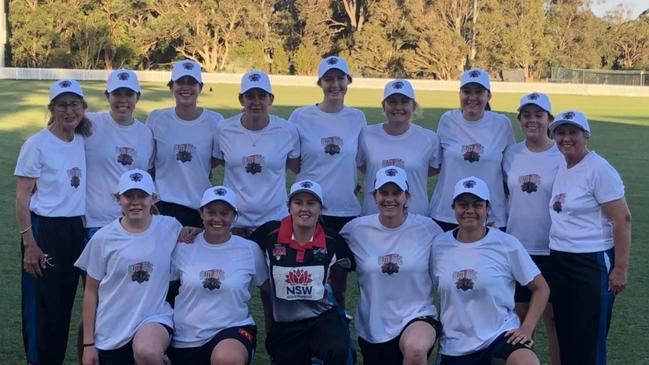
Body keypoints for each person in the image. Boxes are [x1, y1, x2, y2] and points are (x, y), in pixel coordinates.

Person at [432, 176, 549, 365]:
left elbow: (541, 288)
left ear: (488, 208)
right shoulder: (439, 245)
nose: (470, 210)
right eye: (463, 204)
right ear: (453, 207)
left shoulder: (507, 244)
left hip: (499, 337)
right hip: (454, 346)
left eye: (477, 205)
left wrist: (527, 327)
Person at [15, 79, 91, 365]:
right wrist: (29, 243)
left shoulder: (81, 139)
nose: (69, 111)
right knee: (43, 311)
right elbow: (22, 197)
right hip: (45, 230)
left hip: (75, 229)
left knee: (62, 309)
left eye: (74, 104)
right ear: (52, 109)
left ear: (83, 108)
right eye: (62, 105)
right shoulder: (37, 144)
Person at [548, 110, 631, 365]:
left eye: (573, 132)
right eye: (560, 132)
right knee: (567, 334)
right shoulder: (563, 165)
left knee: (589, 339)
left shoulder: (598, 169)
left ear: (586, 136)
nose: (566, 138)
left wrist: (620, 268)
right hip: (560, 260)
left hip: (590, 262)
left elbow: (622, 219)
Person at [76, 169, 182, 365]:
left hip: (154, 318)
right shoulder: (103, 238)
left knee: (148, 353)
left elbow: (200, 242)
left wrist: (195, 231)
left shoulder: (170, 227)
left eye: (142, 196)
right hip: (111, 330)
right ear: (118, 199)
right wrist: (88, 345)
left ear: (154, 198)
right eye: (128, 196)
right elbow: (91, 292)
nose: (135, 202)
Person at [340, 166, 443, 365]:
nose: (390, 199)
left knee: (415, 350)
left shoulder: (428, 229)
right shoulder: (355, 230)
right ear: (374, 196)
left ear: (407, 196)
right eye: (383, 193)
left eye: (396, 193)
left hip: (418, 315)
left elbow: (457, 247)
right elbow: (326, 245)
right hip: (373, 325)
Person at [251, 180, 354, 365]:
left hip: (320, 317)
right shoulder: (269, 233)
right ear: (289, 206)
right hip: (285, 324)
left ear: (321, 208)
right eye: (298, 203)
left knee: (338, 350)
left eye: (311, 203)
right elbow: (241, 244)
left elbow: (343, 279)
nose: (304, 208)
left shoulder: (332, 240)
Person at [168, 186, 267, 365]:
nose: (217, 219)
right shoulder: (183, 246)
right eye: (211, 212)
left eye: (225, 213)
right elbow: (164, 288)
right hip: (186, 337)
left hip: (232, 329)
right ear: (201, 213)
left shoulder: (249, 249)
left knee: (226, 359)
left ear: (234, 216)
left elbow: (267, 289)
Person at [503, 92, 562, 365]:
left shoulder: (561, 154)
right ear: (519, 119)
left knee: (554, 323)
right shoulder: (512, 153)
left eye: (539, 115)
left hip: (552, 249)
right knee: (522, 324)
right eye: (526, 115)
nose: (532, 120)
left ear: (549, 119)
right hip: (517, 248)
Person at [213, 70, 300, 237]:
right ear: (241, 99)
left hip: (275, 221)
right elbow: (220, 161)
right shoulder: (224, 129)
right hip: (233, 221)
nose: (256, 102)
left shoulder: (288, 130)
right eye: (250, 96)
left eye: (262, 95)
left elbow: (294, 165)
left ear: (271, 99)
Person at [429, 68, 514, 231]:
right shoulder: (447, 121)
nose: (472, 97)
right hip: (447, 213)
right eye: (467, 91)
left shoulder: (502, 124)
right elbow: (436, 164)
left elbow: (508, 171)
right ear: (460, 94)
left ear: (488, 96)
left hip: (490, 216)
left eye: (479, 92)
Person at [289, 55, 367, 232]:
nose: (335, 85)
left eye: (340, 78)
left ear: (348, 81)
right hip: (309, 210)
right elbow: (293, 163)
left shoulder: (357, 117)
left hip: (346, 209)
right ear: (320, 83)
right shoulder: (300, 116)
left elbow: (359, 160)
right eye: (328, 79)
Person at [146, 59, 223, 227]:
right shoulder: (156, 118)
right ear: (171, 87)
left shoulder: (215, 121)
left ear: (200, 88)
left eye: (192, 83)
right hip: (162, 206)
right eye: (180, 82)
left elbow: (216, 160)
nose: (185, 87)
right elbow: (149, 164)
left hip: (199, 208)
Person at [85, 68, 154, 237]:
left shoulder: (146, 133)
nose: (123, 100)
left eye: (129, 94)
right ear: (107, 96)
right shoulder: (89, 123)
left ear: (138, 97)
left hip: (132, 223)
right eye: (117, 94)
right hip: (94, 222)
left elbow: (148, 175)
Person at [357, 79, 440, 216]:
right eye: (392, 102)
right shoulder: (367, 134)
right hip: (374, 214)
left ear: (413, 106)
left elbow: (434, 168)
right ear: (384, 106)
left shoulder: (429, 138)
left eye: (404, 102)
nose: (398, 107)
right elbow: (361, 164)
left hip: (415, 215)